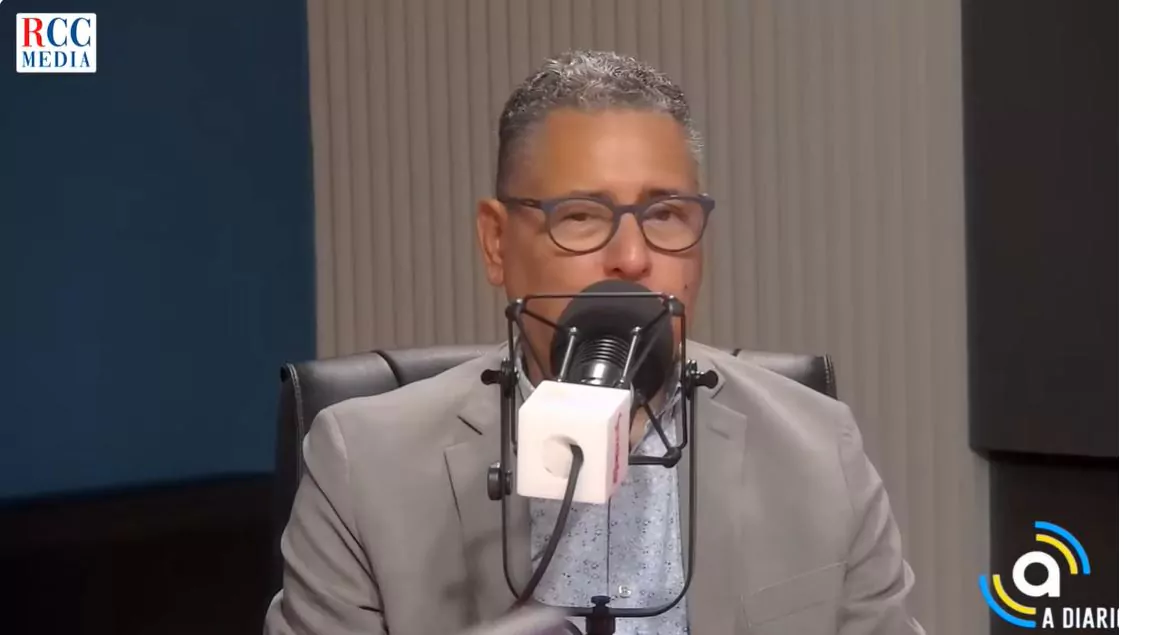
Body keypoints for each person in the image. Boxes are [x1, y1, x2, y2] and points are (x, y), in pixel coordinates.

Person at [265, 50, 924, 635]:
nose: (631, 257)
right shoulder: (363, 469)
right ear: (496, 243)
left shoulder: (820, 453)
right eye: (581, 216)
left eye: (665, 214)